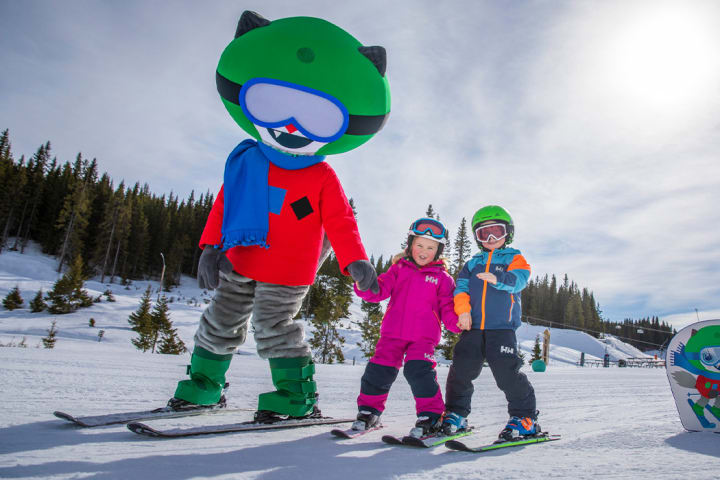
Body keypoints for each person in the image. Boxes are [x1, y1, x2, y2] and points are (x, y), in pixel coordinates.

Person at [167, 11, 391, 423]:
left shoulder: (321, 175)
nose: (290, 125)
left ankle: (296, 395)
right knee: (220, 319)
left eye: (316, 117)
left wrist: (355, 260)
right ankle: (204, 387)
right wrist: (210, 247)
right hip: (241, 258)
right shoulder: (247, 161)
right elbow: (224, 206)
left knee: (274, 326)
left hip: (288, 268)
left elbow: (341, 221)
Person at [351, 218, 461, 438]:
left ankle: (431, 416)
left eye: (430, 247)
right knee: (378, 370)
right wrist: (365, 284)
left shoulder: (443, 279)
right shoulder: (398, 269)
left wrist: (458, 323)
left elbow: (448, 308)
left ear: (438, 251)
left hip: (423, 338)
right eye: (419, 245)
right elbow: (379, 290)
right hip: (392, 334)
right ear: (410, 245)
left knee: (418, 371)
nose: (423, 251)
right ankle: (369, 412)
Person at [442, 205, 539, 441]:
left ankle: (524, 418)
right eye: (484, 234)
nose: (491, 238)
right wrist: (463, 312)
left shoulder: (515, 258)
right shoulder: (472, 264)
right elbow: (461, 290)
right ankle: (456, 414)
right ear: (477, 238)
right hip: (473, 328)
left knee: (507, 374)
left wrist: (499, 279)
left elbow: (520, 280)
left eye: (497, 231)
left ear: (509, 233)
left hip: (502, 329)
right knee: (461, 370)